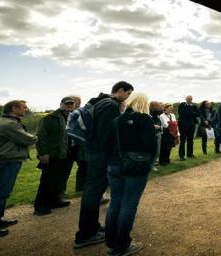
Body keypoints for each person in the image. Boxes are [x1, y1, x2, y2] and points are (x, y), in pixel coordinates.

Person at [74, 81, 134, 249]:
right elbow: (107, 134)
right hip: (101, 155)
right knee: (93, 192)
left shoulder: (100, 102)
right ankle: (85, 234)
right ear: (120, 91)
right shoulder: (110, 105)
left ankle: (92, 227)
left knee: (93, 191)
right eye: (128, 94)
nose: (127, 98)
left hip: (93, 152)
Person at [105, 92, 157, 256]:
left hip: (114, 164)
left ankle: (111, 241)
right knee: (129, 204)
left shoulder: (116, 120)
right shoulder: (145, 119)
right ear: (144, 103)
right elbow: (151, 144)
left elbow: (108, 142)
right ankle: (122, 245)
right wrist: (150, 161)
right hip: (135, 165)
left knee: (115, 203)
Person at [0, 100, 37, 240]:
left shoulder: (10, 121)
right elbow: (27, 140)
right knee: (0, 194)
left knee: (3, 192)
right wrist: (38, 136)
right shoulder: (8, 124)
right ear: (14, 108)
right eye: (23, 107)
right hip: (7, 162)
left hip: (8, 161)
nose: (26, 109)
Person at [33, 96, 75, 216]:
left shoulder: (72, 117)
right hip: (52, 154)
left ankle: (55, 200)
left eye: (71, 104)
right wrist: (43, 153)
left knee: (60, 180)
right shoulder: (49, 118)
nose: (69, 106)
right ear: (61, 104)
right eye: (67, 104)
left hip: (66, 154)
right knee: (47, 180)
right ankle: (40, 206)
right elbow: (41, 137)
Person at [67, 95, 88, 192]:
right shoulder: (70, 113)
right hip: (70, 146)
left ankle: (81, 189)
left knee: (84, 166)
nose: (71, 104)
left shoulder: (81, 113)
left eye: (73, 101)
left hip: (79, 145)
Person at [177, 96, 198, 160]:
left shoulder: (194, 106)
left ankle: (190, 154)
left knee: (190, 140)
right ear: (186, 99)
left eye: (191, 99)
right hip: (183, 125)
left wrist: (191, 113)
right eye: (188, 99)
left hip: (191, 125)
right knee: (183, 140)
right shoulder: (182, 105)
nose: (190, 100)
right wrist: (192, 113)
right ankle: (181, 156)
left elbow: (198, 114)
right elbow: (182, 113)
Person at [149, 101, 164, 169]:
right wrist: (153, 126)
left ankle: (153, 165)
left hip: (158, 133)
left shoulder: (158, 114)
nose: (159, 107)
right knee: (153, 151)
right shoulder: (148, 113)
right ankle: (150, 165)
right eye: (158, 105)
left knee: (157, 151)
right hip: (152, 134)